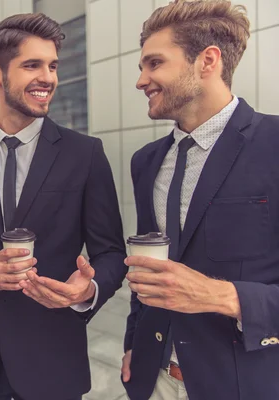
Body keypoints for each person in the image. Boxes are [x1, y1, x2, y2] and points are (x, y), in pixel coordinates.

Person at [0, 13, 127, 400]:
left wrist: (87, 289)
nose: (48, 78)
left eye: (53, 66)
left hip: (54, 365)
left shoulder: (85, 154)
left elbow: (110, 252)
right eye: (32, 65)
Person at [121, 1, 279, 399]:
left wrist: (224, 296)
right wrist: (131, 342)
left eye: (154, 63)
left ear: (207, 61)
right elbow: (148, 269)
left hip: (242, 385)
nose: (141, 80)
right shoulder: (146, 162)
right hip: (151, 379)